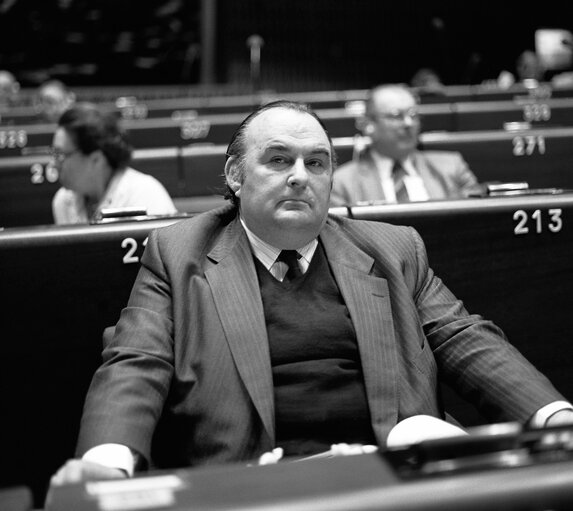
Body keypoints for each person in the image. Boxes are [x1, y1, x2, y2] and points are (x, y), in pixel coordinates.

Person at [48, 100, 573, 491]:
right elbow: (135, 362)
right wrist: (107, 462)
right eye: (278, 160)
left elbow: (466, 339)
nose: (301, 177)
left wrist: (554, 416)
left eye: (317, 163)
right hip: (260, 485)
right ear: (235, 175)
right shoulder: (179, 252)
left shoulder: (392, 248)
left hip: (392, 477)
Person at [330, 84, 480, 207]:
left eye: (413, 115)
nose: (408, 123)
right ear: (368, 124)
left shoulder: (452, 166)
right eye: (396, 116)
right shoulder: (342, 184)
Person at [51, 102, 177, 224]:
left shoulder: (145, 195)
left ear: (96, 159)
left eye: (60, 155)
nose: (54, 164)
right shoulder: (62, 201)